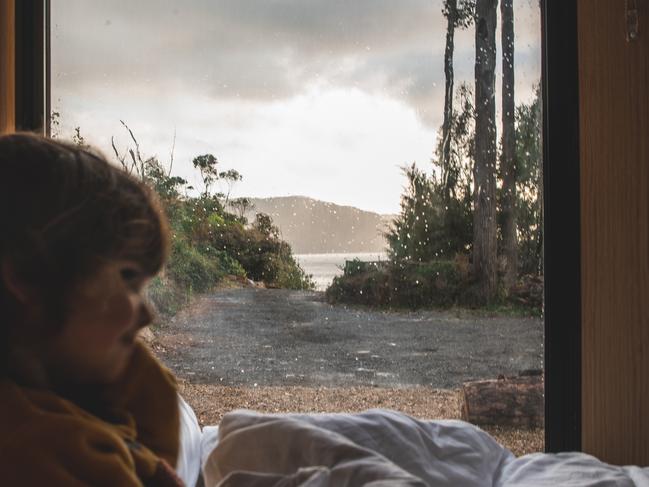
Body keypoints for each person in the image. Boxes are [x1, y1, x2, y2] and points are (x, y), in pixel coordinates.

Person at [0, 133, 185, 486]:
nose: (147, 316)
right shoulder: (47, 450)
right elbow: (154, 461)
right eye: (128, 278)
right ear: (29, 274)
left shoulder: (47, 401)